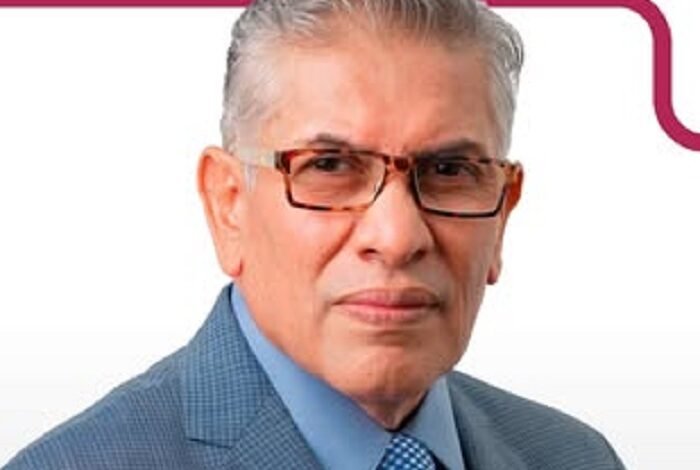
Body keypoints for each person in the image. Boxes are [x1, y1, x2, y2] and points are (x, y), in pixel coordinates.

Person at [5, 0, 626, 469]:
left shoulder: (576, 457)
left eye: (449, 171)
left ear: (502, 217)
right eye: (330, 166)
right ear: (228, 206)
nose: (396, 236)